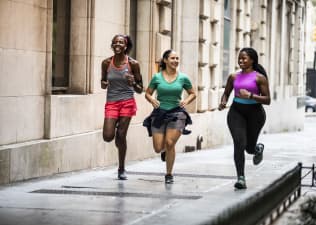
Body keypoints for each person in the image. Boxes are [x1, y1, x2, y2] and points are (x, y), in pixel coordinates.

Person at [218, 47, 271, 189]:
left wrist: (251, 96)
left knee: (249, 148)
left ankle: (257, 148)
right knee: (239, 143)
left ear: (252, 60)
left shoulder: (260, 78)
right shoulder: (233, 76)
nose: (241, 61)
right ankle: (241, 178)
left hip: (255, 114)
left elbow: (267, 100)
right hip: (236, 112)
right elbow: (226, 93)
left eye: (244, 58)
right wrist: (223, 102)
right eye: (239, 58)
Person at [143, 49, 196, 184]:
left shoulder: (183, 78)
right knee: (158, 147)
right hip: (160, 112)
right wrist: (152, 100)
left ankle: (169, 174)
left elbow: (192, 93)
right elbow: (148, 93)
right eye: (172, 58)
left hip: (177, 113)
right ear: (165, 60)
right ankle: (165, 152)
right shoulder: (157, 77)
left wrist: (186, 101)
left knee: (170, 143)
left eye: (177, 58)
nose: (175, 61)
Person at [101, 34, 143, 180]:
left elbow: (140, 89)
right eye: (115, 42)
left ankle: (121, 168)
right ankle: (116, 127)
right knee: (108, 136)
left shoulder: (133, 64)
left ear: (125, 46)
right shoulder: (106, 63)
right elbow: (102, 82)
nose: (117, 44)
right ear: (112, 45)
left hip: (127, 102)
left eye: (121, 42)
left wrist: (133, 83)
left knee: (121, 136)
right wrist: (104, 84)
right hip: (112, 102)